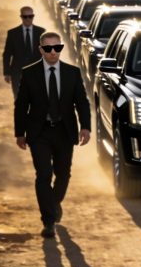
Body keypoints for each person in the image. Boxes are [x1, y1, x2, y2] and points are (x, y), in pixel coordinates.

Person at [14, 31, 91, 238]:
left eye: (57, 48)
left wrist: (86, 127)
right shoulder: (29, 73)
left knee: (63, 174)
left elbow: (81, 102)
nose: (52, 52)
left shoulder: (72, 73)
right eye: (48, 48)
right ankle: (48, 222)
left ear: (61, 49)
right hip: (39, 132)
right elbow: (21, 105)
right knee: (44, 175)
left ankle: (54, 203)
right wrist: (19, 133)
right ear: (41, 50)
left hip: (64, 132)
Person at [3, 6, 45, 97]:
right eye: (25, 17)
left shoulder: (41, 32)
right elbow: (7, 54)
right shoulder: (12, 33)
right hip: (18, 72)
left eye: (30, 16)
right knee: (19, 98)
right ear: (21, 17)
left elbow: (46, 52)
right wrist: (7, 72)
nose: (28, 19)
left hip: (37, 72)